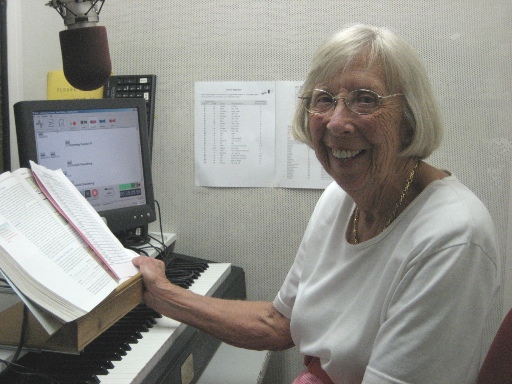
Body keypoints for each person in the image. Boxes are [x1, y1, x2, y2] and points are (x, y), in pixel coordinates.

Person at [133, 24, 500, 383]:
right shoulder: (339, 198)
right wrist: (165, 296)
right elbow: (279, 324)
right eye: (324, 99)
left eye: (365, 99)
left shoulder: (453, 239)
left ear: (409, 117)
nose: (337, 122)